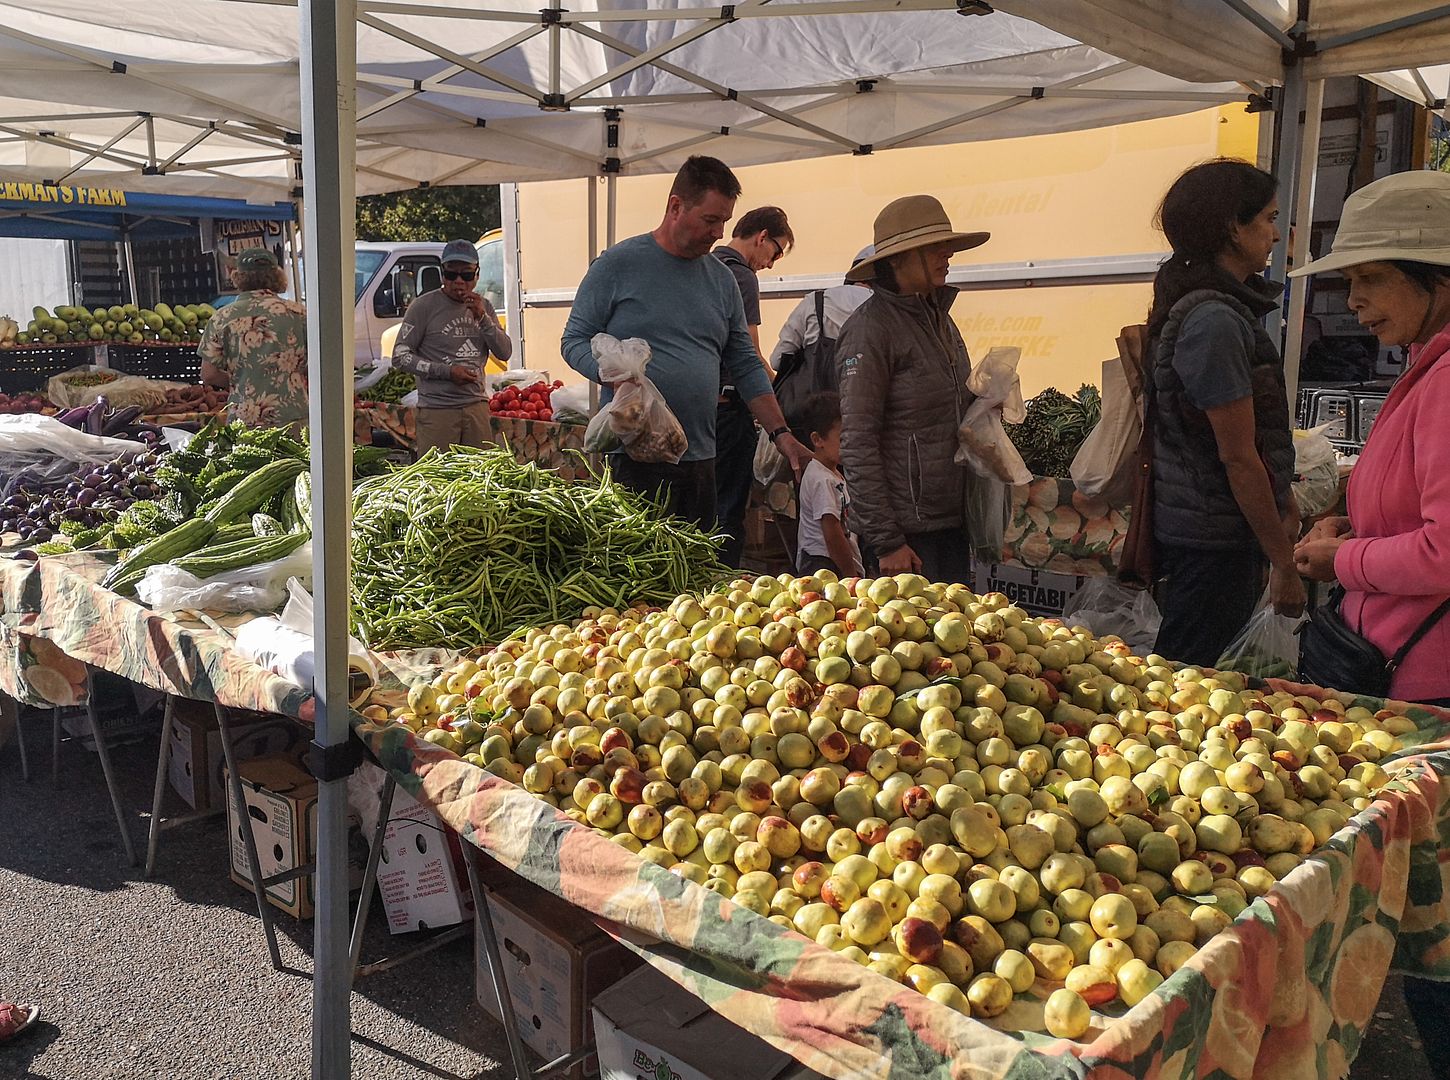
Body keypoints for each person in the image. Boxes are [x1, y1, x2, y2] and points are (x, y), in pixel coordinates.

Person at [561, 156, 811, 530]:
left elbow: (744, 363)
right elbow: (573, 340)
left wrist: (781, 434)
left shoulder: (722, 280)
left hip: (701, 456)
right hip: (633, 456)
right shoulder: (617, 265)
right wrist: (614, 374)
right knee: (638, 572)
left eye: (724, 222)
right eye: (710, 220)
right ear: (675, 206)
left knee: (693, 577)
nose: (717, 233)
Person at [1292, 171, 1450, 710]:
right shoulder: (1427, 365)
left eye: (1373, 277)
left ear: (1441, 279)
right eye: (1350, 280)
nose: (1354, 300)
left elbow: (1445, 551)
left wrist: (1344, 559)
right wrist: (1359, 530)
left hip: (1423, 687)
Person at [1144, 159, 1302, 668]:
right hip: (1214, 546)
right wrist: (1283, 562)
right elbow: (1237, 458)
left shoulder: (1218, 311)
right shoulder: (1214, 321)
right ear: (1234, 227)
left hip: (1215, 536)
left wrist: (1282, 502)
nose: (1277, 234)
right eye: (1270, 218)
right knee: (1191, 689)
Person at [836, 195, 989, 585]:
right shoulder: (870, 330)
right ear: (898, 260)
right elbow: (857, 440)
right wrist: (887, 542)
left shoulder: (940, 319)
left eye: (947, 245)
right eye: (932, 247)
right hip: (906, 535)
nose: (947, 253)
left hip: (949, 520)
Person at [713, 206, 794, 565]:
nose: (772, 264)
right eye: (775, 252)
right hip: (729, 409)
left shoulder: (707, 265)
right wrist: (781, 395)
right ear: (762, 237)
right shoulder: (742, 277)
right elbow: (749, 354)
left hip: (699, 408)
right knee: (729, 510)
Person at [391, 238, 513, 457]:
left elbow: (505, 352)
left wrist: (483, 319)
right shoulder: (423, 306)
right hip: (437, 410)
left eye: (466, 275)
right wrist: (446, 372)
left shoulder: (484, 306)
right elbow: (400, 355)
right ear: (441, 273)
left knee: (479, 477)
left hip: (476, 406)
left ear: (477, 275)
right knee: (438, 480)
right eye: (451, 274)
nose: (459, 282)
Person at [197, 247, 308, 430]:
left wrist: (241, 381)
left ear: (238, 276)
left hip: (245, 419)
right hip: (293, 416)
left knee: (251, 459)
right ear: (277, 275)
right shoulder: (299, 314)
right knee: (296, 459)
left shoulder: (222, 318)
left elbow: (208, 374)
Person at [768, 245, 875, 418]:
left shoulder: (816, 301)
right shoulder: (889, 309)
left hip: (818, 416)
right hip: (869, 409)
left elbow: (778, 360)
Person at [792, 391, 862, 577]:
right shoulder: (823, 480)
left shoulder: (831, 473)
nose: (849, 443)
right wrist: (850, 574)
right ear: (817, 439)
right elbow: (832, 533)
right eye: (842, 438)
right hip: (823, 565)